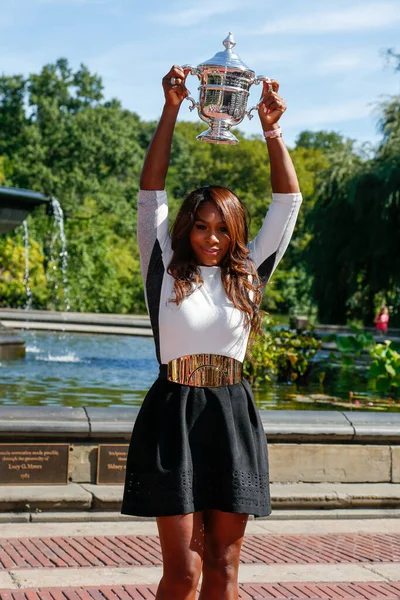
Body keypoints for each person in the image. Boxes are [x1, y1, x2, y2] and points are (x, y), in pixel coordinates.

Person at [121, 65, 302, 600]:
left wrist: (271, 129)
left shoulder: (250, 274)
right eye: (201, 225)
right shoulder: (163, 268)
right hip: (172, 414)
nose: (212, 237)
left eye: (223, 227)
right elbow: (150, 191)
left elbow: (287, 204)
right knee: (184, 572)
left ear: (237, 232)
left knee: (223, 564)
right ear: (187, 228)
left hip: (230, 415)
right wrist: (172, 109)